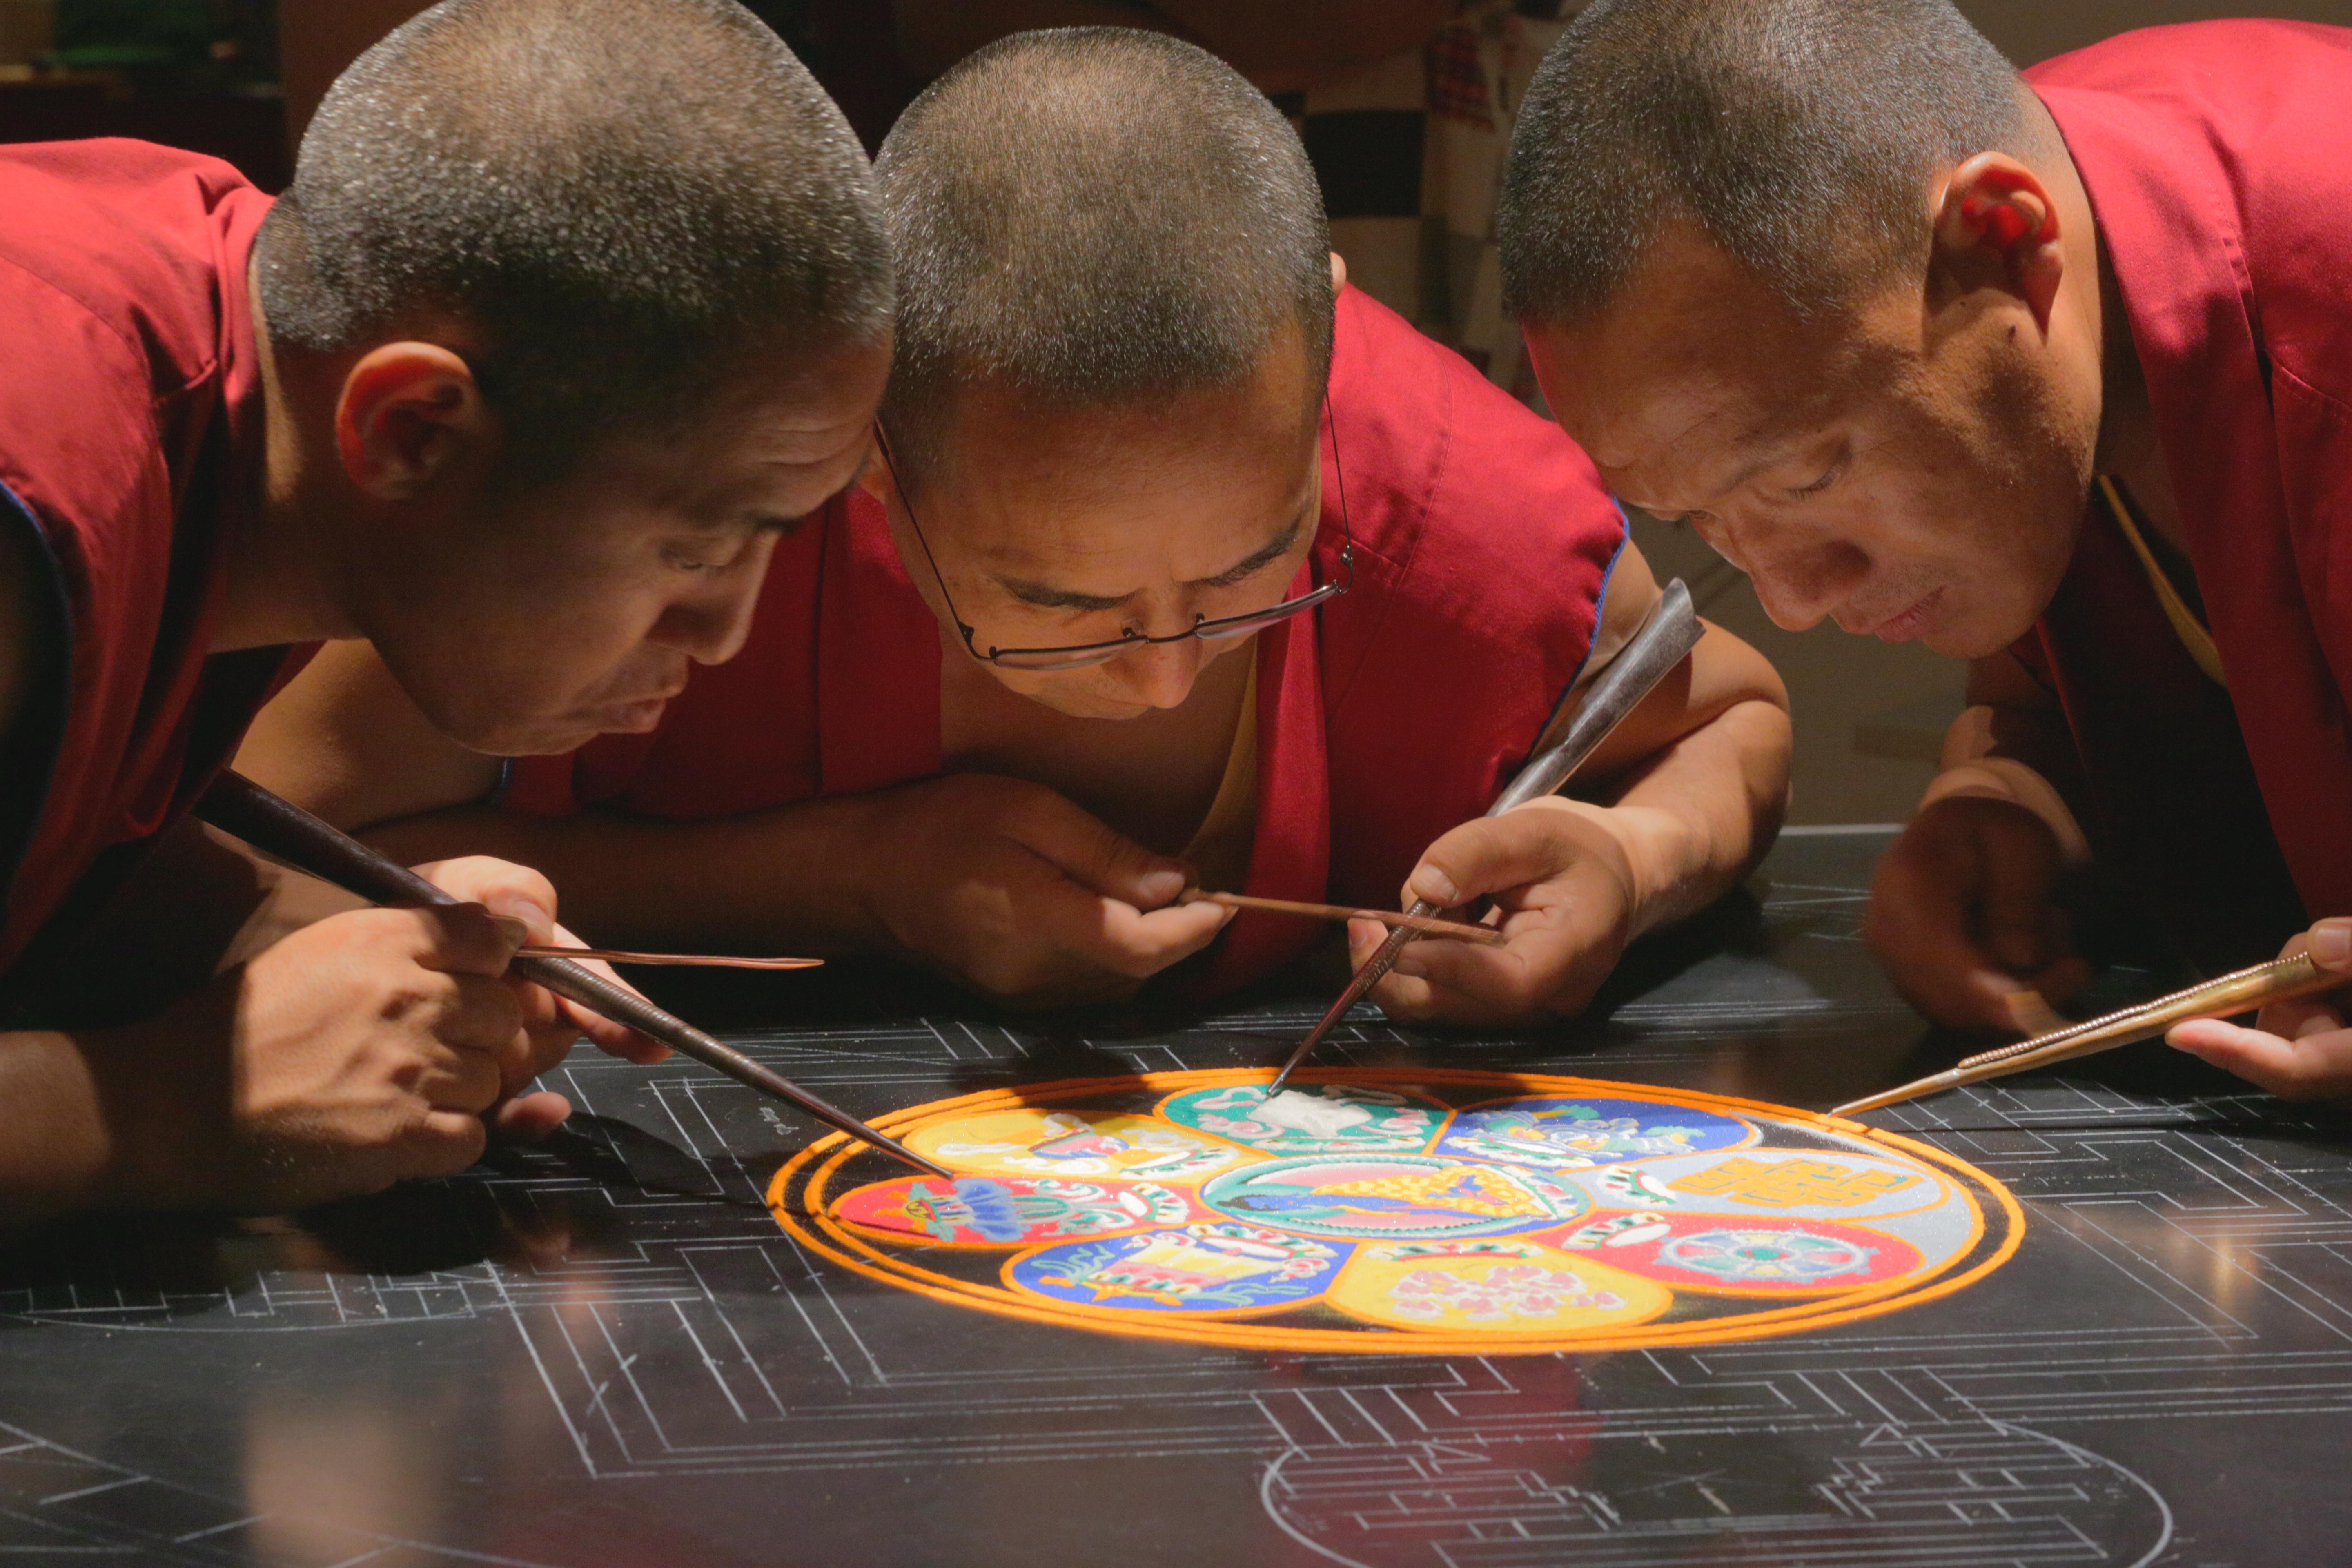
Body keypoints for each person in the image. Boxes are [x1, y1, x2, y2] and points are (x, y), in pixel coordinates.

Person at [242, 27, 1790, 1021]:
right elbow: (262, 844)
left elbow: (1728, 718)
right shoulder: (696, 521)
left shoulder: (1449, 513)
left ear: (1324, 364)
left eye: (1251, 579)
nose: (1165, 680)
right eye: (1056, 606)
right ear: (865, 448)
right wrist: (849, 873)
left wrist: (1633, 858)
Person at [0, 0, 893, 1223]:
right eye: (694, 548)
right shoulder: (39, 429)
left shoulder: (248, 376)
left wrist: (284, 932)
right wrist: (178, 1106)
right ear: (414, 429)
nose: (724, 637)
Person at [1494, 0, 2352, 1094]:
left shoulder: (2321, 245)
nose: (1795, 600)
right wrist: (2012, 799)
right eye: (1702, 520)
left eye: (1809, 475)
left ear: (2005, 236)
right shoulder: (2070, 319)